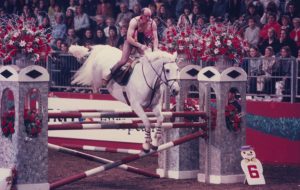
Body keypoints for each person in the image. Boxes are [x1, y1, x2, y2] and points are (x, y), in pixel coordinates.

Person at [109, 7, 159, 84]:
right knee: (123, 60)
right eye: (146, 16)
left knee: (148, 58)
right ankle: (110, 75)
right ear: (142, 15)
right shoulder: (134, 21)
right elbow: (129, 38)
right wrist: (140, 45)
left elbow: (155, 38)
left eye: (150, 16)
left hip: (142, 40)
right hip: (131, 40)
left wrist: (155, 49)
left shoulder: (152, 23)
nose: (149, 18)